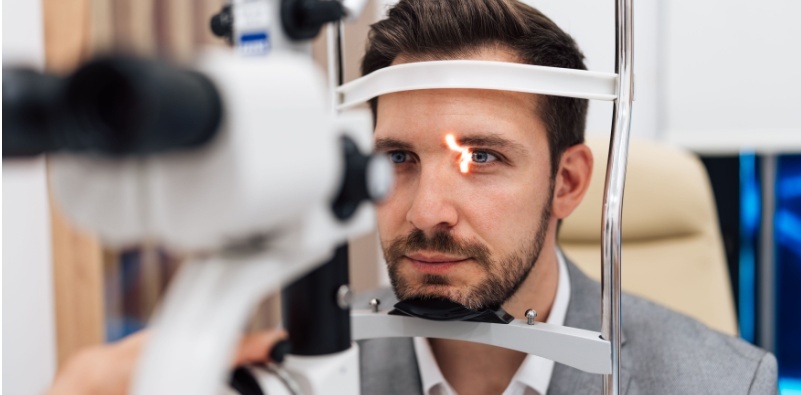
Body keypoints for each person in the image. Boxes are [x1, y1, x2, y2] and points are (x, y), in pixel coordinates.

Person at [48, 0, 778, 394]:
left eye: (481, 157)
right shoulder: (310, 373)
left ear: (568, 182)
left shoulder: (720, 382)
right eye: (397, 157)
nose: (428, 209)